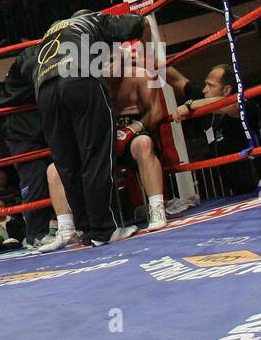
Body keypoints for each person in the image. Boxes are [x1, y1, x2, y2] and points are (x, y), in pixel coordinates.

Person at [35, 8, 147, 245]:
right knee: (96, 155)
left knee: (68, 164)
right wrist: (139, 14)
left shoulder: (51, 31)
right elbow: (134, 24)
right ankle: (105, 229)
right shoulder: (92, 20)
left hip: (45, 91)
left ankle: (87, 231)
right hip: (78, 78)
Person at [0, 45, 75, 252]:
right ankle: (35, 234)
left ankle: (61, 224)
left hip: (39, 126)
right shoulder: (30, 56)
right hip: (19, 128)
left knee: (58, 172)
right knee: (34, 177)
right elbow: (37, 73)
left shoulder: (50, 55)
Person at [171, 65, 260, 195]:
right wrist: (145, 57)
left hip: (256, 187)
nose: (204, 90)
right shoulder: (203, 99)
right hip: (230, 193)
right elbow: (176, 79)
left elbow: (232, 105)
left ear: (226, 90)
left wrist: (190, 105)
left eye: (210, 85)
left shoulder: (246, 105)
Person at [109, 55, 168, 230]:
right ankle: (90, 223)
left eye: (112, 60)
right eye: (103, 61)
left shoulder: (141, 75)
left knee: (143, 143)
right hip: (107, 135)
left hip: (135, 131)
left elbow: (157, 112)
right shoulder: (93, 83)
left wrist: (133, 128)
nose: (109, 66)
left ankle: (157, 210)